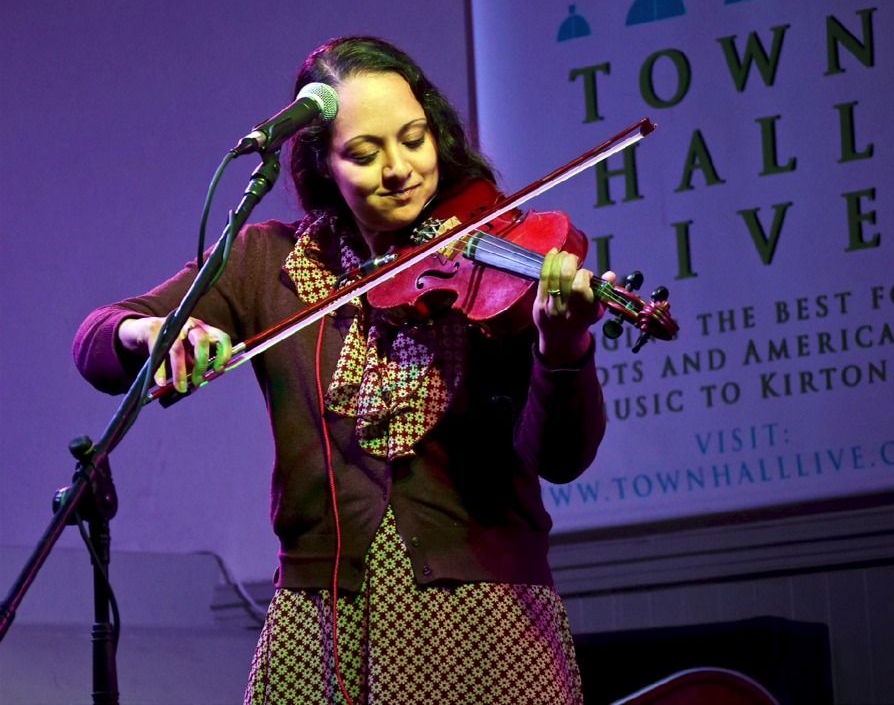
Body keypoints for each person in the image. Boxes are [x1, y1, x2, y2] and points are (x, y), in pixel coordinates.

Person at [73, 35, 611, 705]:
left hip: (483, 616)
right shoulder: (269, 263)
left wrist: (563, 347)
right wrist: (149, 330)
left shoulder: (493, 257)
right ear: (324, 167)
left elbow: (560, 456)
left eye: (414, 139)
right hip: (319, 621)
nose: (399, 169)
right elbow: (96, 340)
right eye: (364, 153)